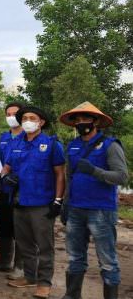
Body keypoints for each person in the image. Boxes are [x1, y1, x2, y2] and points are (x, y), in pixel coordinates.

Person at [59, 102, 129, 299]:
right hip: (75, 209)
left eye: (86, 119)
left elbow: (122, 177)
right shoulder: (72, 146)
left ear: (96, 121)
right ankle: (72, 295)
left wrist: (95, 171)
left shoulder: (110, 145)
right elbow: (69, 177)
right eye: (78, 120)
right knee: (75, 257)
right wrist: (65, 203)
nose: (82, 123)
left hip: (101, 210)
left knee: (107, 260)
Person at [3, 106, 65, 299]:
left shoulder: (52, 144)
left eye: (32, 118)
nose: (28, 120)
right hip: (19, 201)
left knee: (45, 246)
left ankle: (44, 283)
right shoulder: (15, 143)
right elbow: (6, 167)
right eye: (25, 118)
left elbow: (60, 174)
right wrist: (6, 179)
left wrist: (58, 200)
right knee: (24, 243)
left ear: (41, 122)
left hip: (41, 203)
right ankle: (29, 276)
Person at [0, 102, 25, 277]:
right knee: (3, 224)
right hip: (5, 188)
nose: (11, 117)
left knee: (20, 227)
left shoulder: (29, 137)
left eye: (15, 113)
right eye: (8, 113)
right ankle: (4, 261)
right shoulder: (4, 137)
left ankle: (19, 266)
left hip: (22, 190)